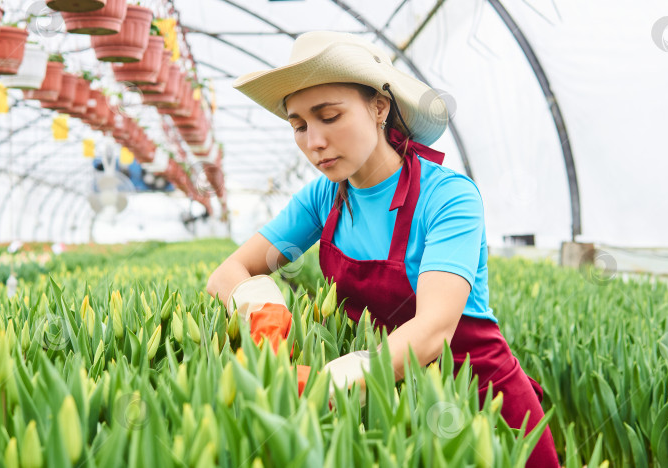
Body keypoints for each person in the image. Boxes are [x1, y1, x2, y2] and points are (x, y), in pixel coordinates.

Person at [205, 31, 559, 467]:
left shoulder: (447, 196)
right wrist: (264, 313)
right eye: (299, 125)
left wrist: (333, 379)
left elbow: (433, 330)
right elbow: (227, 273)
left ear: (379, 107)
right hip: (389, 403)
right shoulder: (323, 198)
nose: (313, 141)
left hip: (478, 397)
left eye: (329, 116)